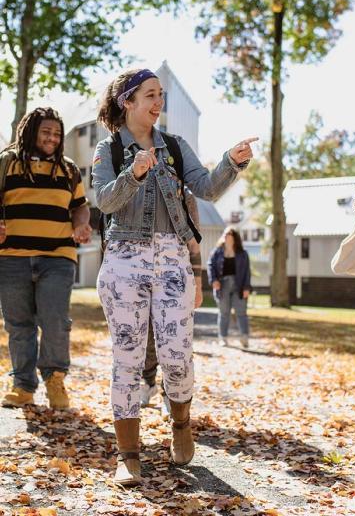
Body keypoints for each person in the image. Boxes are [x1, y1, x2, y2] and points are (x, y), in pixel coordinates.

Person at [92, 68, 256, 486]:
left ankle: (181, 425)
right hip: (125, 257)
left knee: (177, 356)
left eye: (161, 95)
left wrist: (230, 162)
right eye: (150, 95)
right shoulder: (108, 149)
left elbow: (208, 189)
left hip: (172, 259)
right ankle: (128, 454)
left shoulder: (176, 148)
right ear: (127, 101)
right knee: (127, 358)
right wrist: (134, 173)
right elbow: (105, 202)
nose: (158, 102)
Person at [0, 107, 91, 410]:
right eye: (46, 132)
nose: (53, 138)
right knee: (19, 324)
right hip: (11, 257)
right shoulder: (7, 163)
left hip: (58, 256)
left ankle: (55, 379)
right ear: (30, 132)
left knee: (55, 320)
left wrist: (80, 224)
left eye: (57, 133)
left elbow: (80, 205)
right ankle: (23, 385)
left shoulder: (68, 169)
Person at [140, 188, 203, 411]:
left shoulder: (186, 195)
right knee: (145, 336)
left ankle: (171, 394)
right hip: (139, 273)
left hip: (175, 277)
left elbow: (194, 242)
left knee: (173, 340)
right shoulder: (135, 186)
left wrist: (198, 283)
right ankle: (147, 383)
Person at [207, 226, 252, 348]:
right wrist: (214, 280)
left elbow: (247, 271)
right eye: (225, 234)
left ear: (235, 237)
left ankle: (244, 337)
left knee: (241, 312)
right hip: (222, 286)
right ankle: (223, 338)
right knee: (224, 313)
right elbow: (210, 266)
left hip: (239, 286)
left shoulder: (243, 254)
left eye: (230, 234)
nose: (227, 236)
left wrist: (247, 287)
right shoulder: (217, 252)